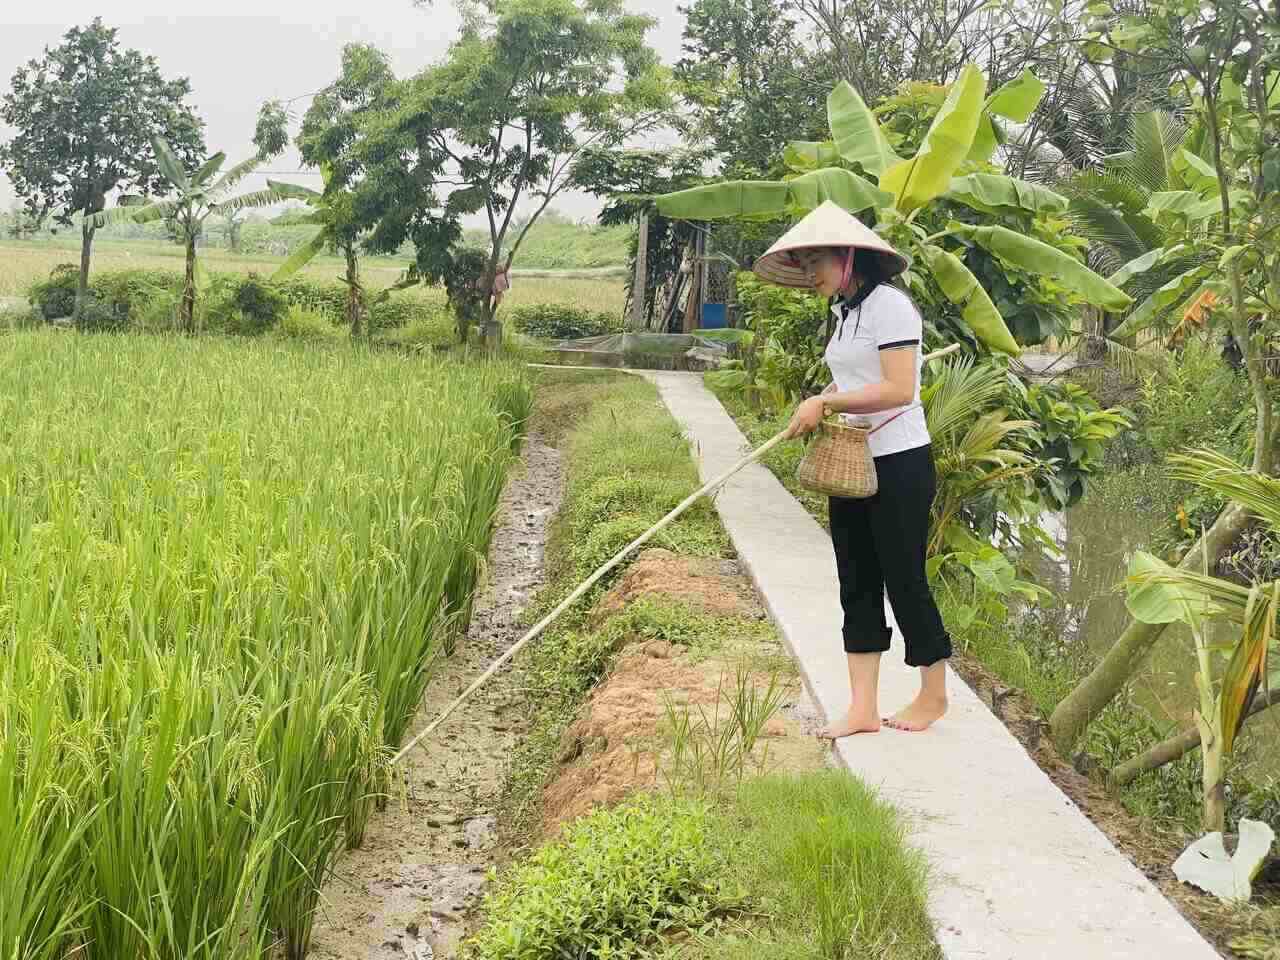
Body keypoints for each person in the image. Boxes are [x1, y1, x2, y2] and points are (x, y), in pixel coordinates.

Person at [754, 201, 952, 738]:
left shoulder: (891, 307)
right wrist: (823, 397)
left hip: (900, 463)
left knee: (904, 579)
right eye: (805, 263)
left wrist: (829, 405)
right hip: (853, 463)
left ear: (848, 257)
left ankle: (933, 694)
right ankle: (863, 707)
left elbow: (898, 389)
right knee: (856, 580)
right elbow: (853, 381)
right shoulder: (844, 313)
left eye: (817, 260)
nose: (809, 273)